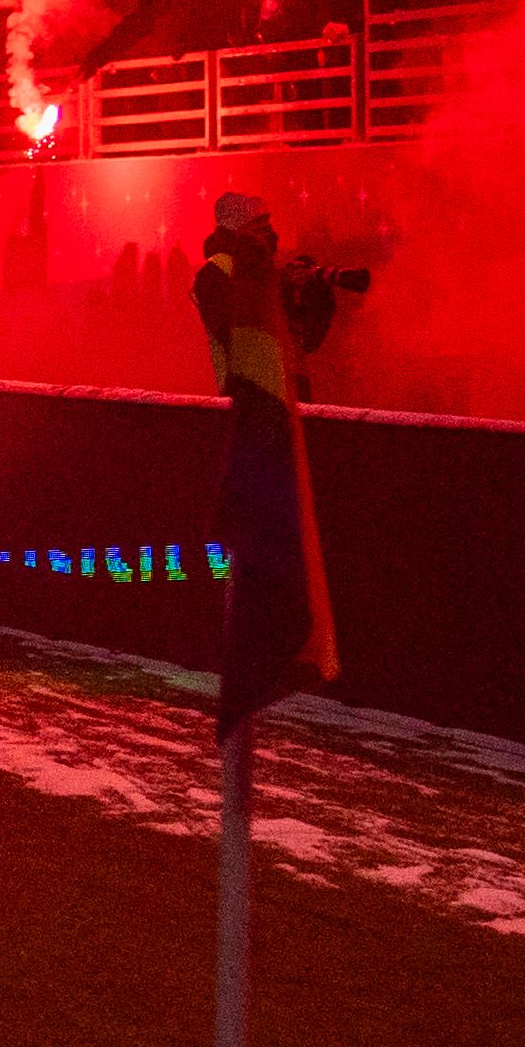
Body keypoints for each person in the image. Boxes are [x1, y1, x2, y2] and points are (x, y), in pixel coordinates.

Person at [193, 191, 351, 720]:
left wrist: (314, 294)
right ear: (238, 230)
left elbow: (305, 340)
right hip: (254, 412)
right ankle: (256, 654)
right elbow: (240, 338)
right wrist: (267, 281)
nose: (272, 235)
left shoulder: (264, 272)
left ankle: (285, 648)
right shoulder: (217, 273)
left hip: (290, 406)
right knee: (259, 542)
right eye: (261, 226)